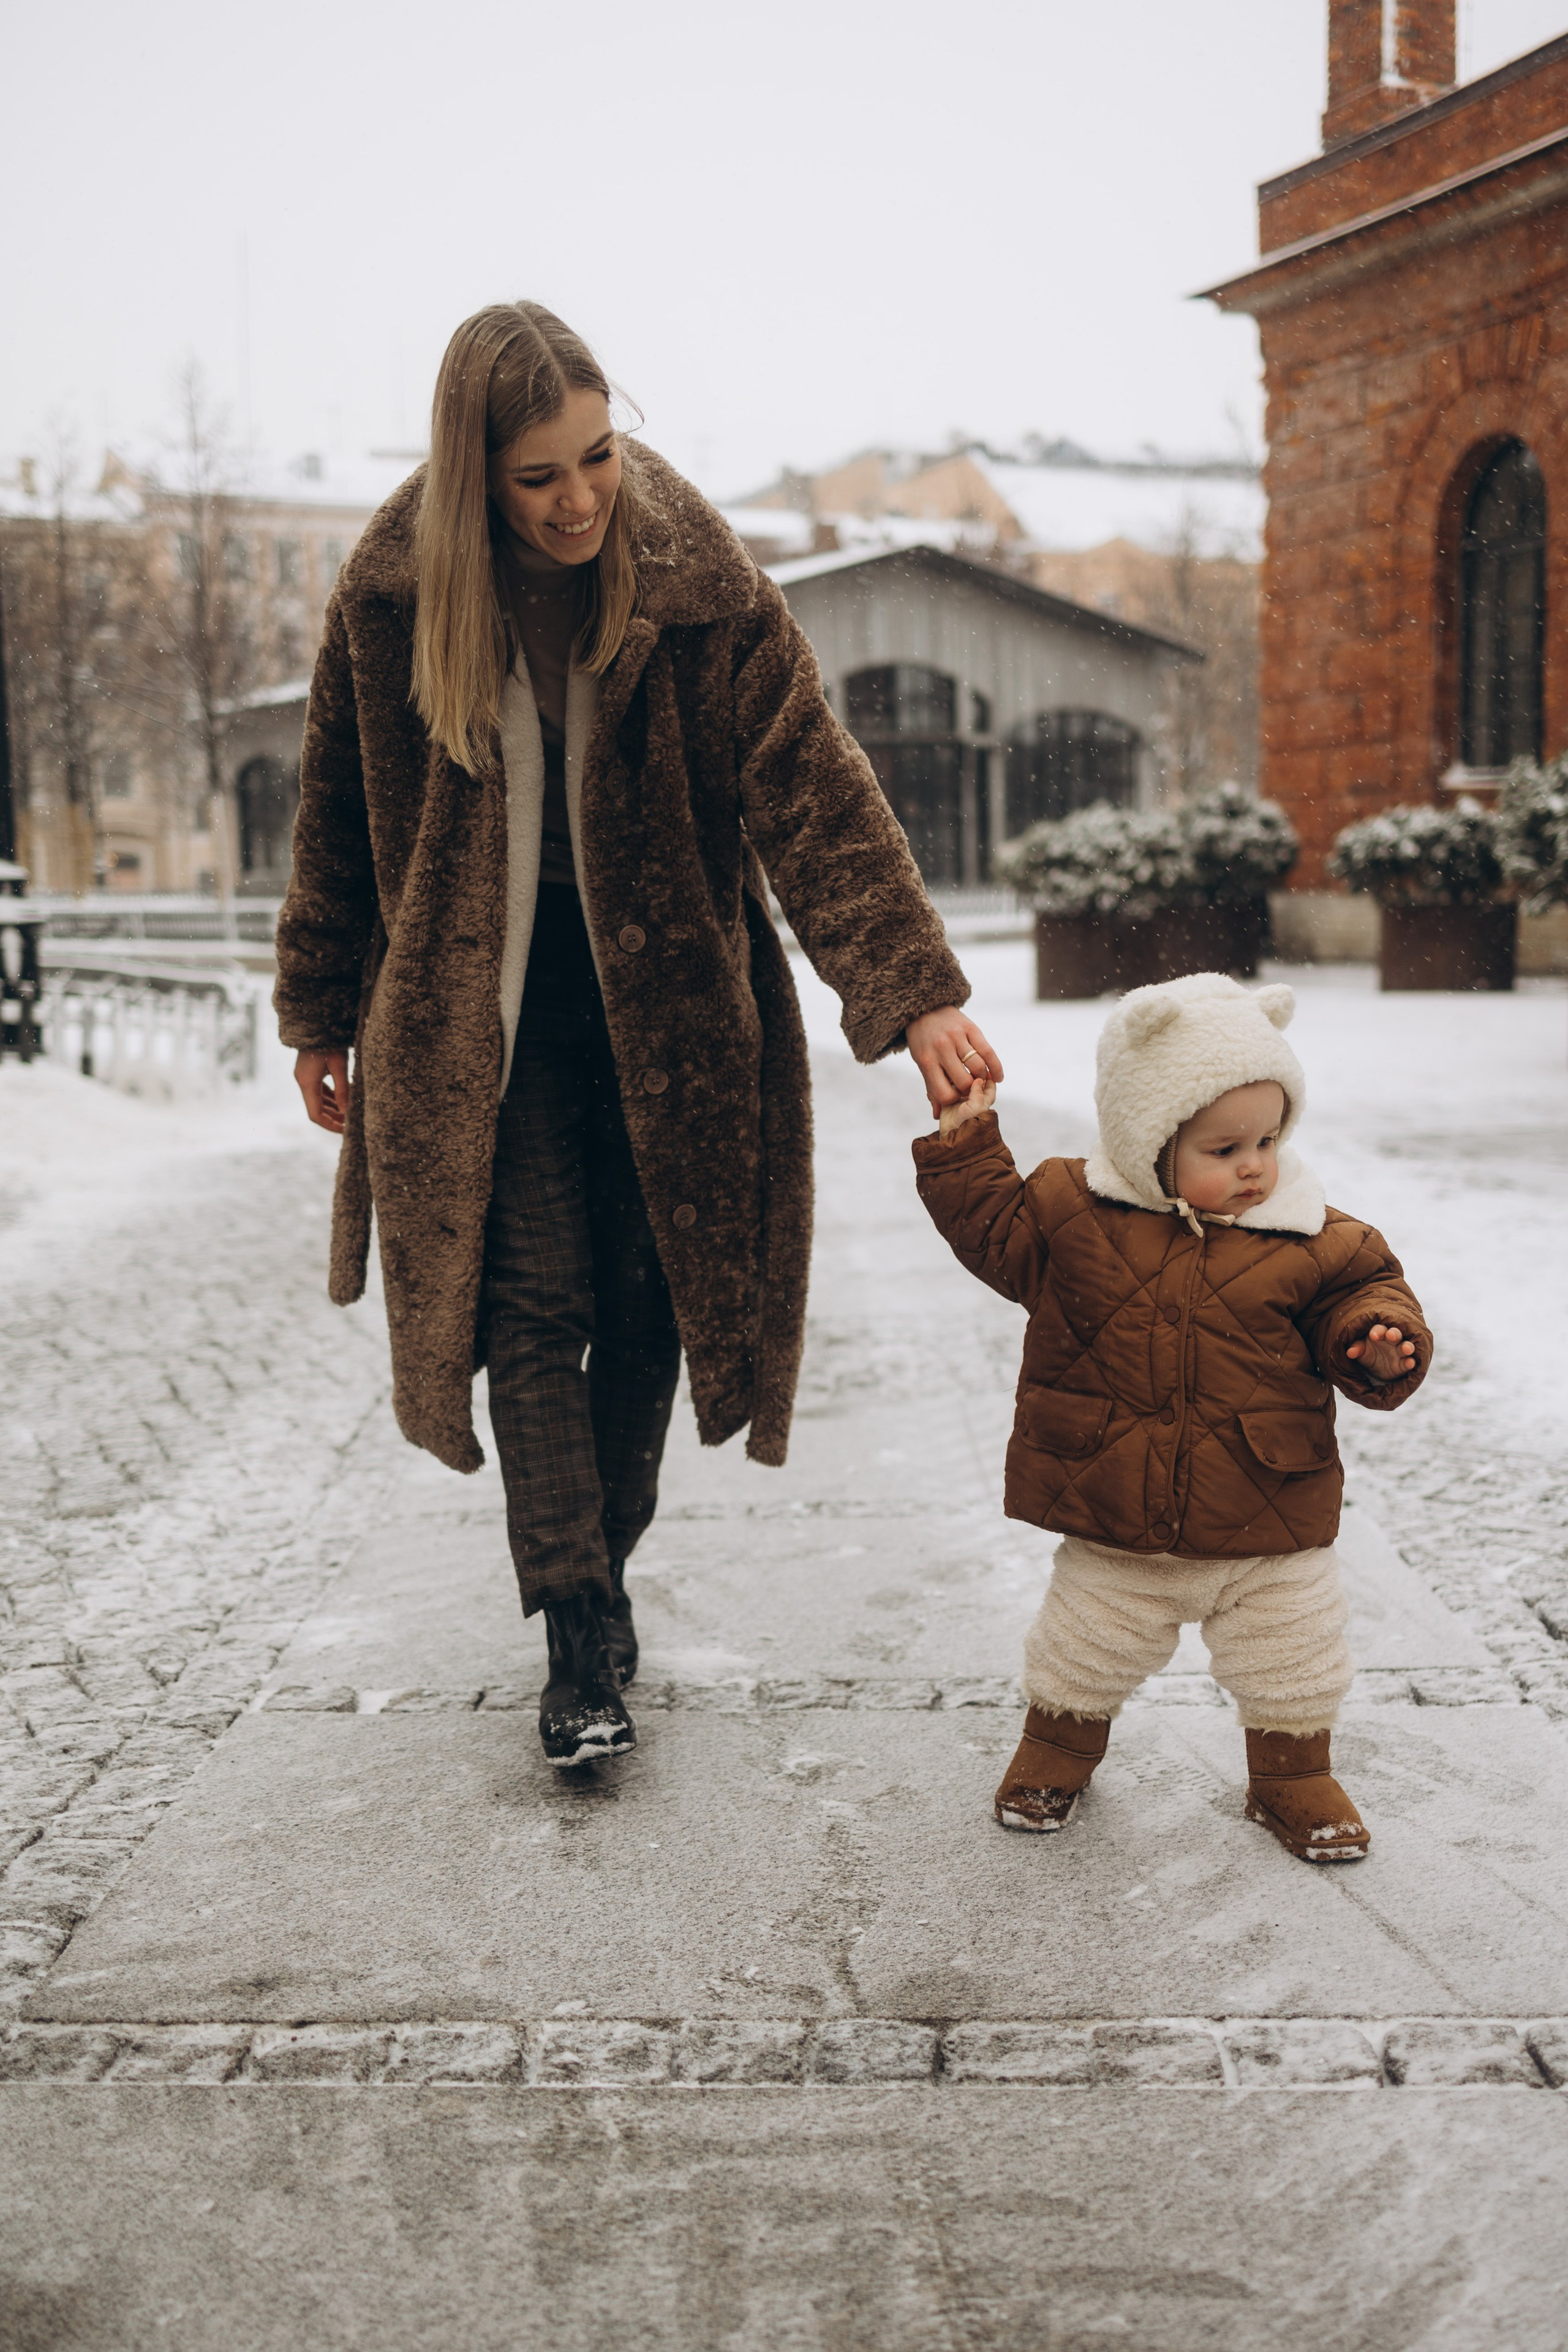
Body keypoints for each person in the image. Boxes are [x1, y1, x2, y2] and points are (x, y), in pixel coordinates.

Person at [274, 301, 1000, 1769]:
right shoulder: (394, 596)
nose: (576, 497)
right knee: (527, 1307)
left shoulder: (697, 583)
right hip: (483, 1022)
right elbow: (339, 817)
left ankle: (597, 1568)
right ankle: (574, 1625)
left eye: (594, 456)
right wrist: (314, 1002)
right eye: (535, 475)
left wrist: (911, 988)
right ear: (475, 475)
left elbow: (811, 787)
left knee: (657, 1295)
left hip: (668, 1007)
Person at [912, 970, 1431, 1863]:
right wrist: (966, 1141)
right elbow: (992, 1229)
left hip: (1268, 1515)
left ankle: (1292, 1777)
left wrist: (1374, 1342)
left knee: (1295, 1659)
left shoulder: (1317, 1239)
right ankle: (1056, 1755)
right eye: (1224, 1147)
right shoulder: (1074, 1215)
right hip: (1118, 1516)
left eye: (1268, 1138)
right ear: (1148, 1137)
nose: (1254, 1165)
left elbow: (1367, 1294)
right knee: (1082, 1649)